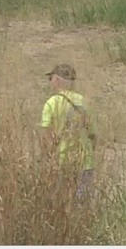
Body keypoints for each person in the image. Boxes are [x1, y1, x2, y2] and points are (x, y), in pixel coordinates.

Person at [39, 63, 97, 198]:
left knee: (64, 201)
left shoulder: (51, 103)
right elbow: (93, 134)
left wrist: (47, 158)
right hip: (86, 161)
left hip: (63, 160)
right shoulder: (83, 102)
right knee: (83, 202)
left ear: (58, 80)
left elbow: (47, 136)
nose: (50, 83)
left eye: (51, 79)